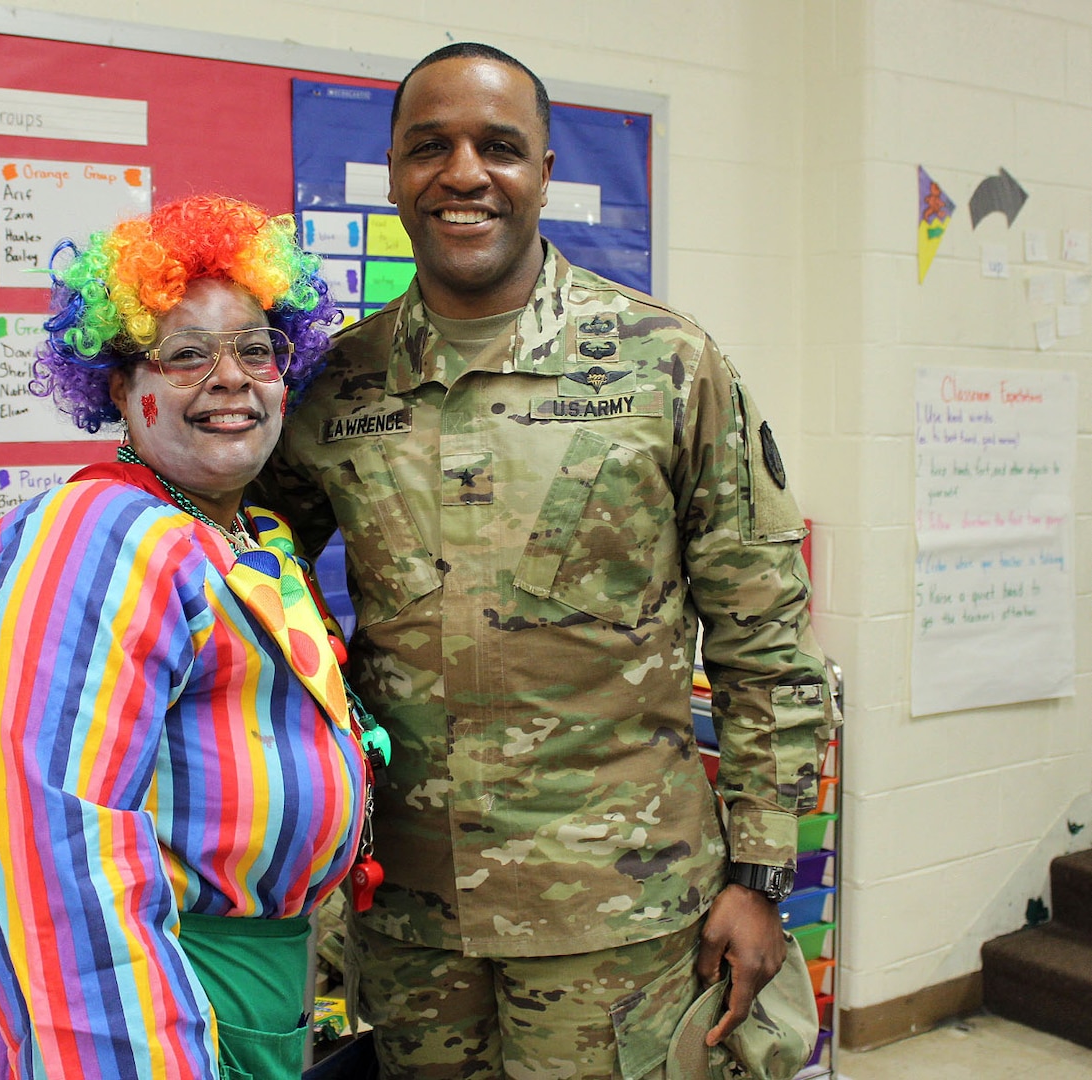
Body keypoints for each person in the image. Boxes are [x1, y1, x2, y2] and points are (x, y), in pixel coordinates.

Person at [255, 43, 834, 1080]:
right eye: (429, 147)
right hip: (406, 912)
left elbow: (762, 633)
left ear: (545, 171)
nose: (463, 173)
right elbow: (238, 586)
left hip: (622, 917)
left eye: (498, 147)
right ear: (392, 172)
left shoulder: (666, 362)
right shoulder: (336, 386)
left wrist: (760, 874)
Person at [0, 195, 366, 1080]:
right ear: (119, 388)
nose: (230, 377)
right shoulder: (95, 537)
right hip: (106, 1015)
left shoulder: (235, 534)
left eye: (256, 348)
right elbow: (54, 844)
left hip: (228, 989)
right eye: (184, 354)